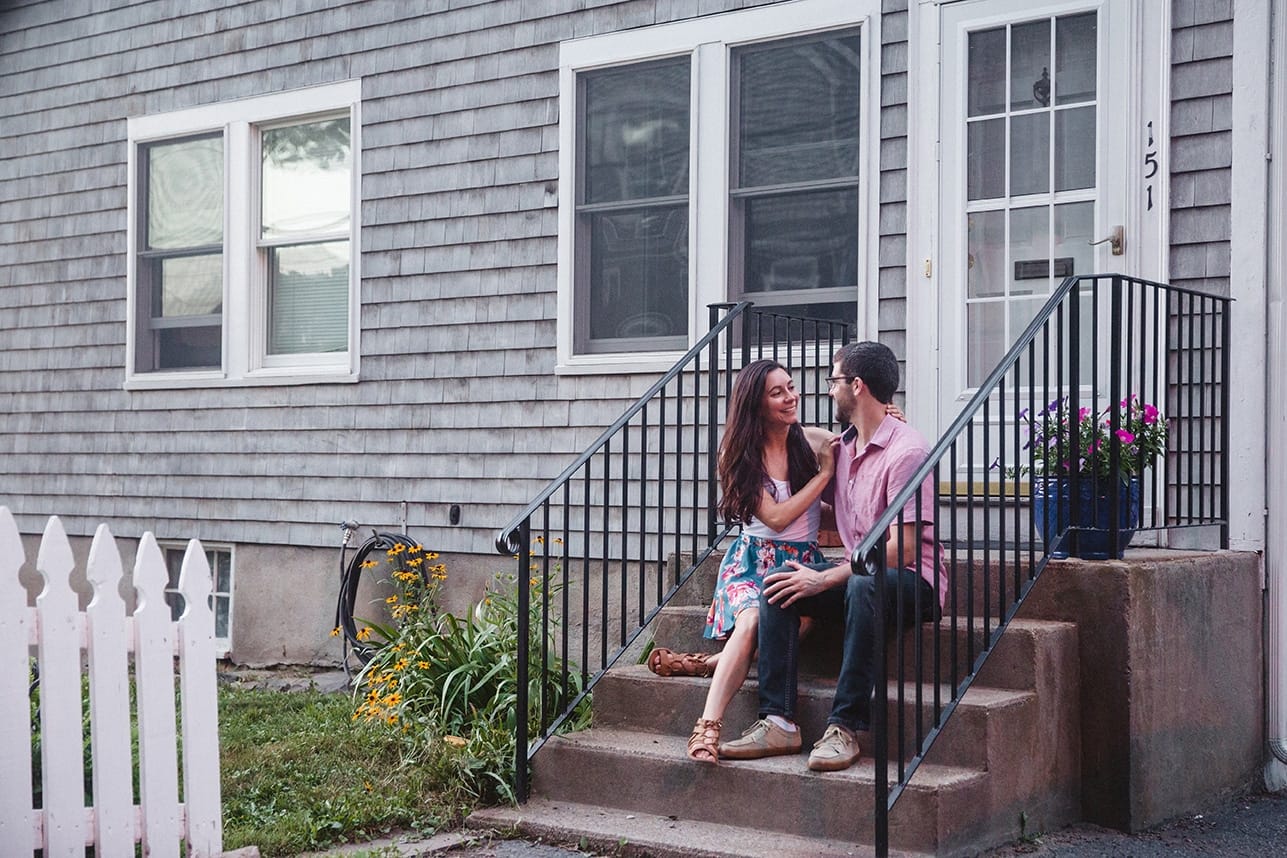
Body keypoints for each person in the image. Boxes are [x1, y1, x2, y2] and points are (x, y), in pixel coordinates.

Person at [719, 341, 946, 772]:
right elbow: (823, 507)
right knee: (780, 581)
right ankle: (779, 721)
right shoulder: (841, 450)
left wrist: (825, 578)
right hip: (859, 579)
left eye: (834, 381)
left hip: (914, 582)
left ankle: (845, 726)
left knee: (861, 583)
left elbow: (905, 549)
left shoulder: (907, 452)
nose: (827, 391)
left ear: (856, 386)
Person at [647, 359, 835, 763]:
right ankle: (709, 727)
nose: (791, 397)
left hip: (802, 562)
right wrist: (824, 476)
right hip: (753, 562)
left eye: (791, 387)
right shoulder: (737, 453)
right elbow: (777, 517)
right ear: (756, 404)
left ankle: (711, 662)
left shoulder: (811, 439)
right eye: (778, 392)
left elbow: (864, 439)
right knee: (753, 619)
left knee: (789, 627)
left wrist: (890, 414)